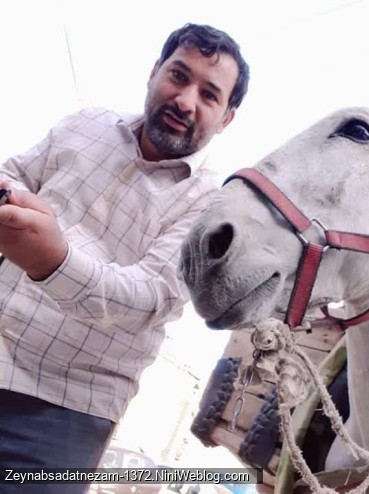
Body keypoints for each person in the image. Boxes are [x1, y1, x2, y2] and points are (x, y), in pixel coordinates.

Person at [0, 23, 249, 493]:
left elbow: (148, 299)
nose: (185, 100)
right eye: (179, 75)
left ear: (226, 118)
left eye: (209, 95)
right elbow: (14, 173)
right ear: (155, 72)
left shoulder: (211, 206)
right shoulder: (85, 123)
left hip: (59, 414)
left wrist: (53, 260)